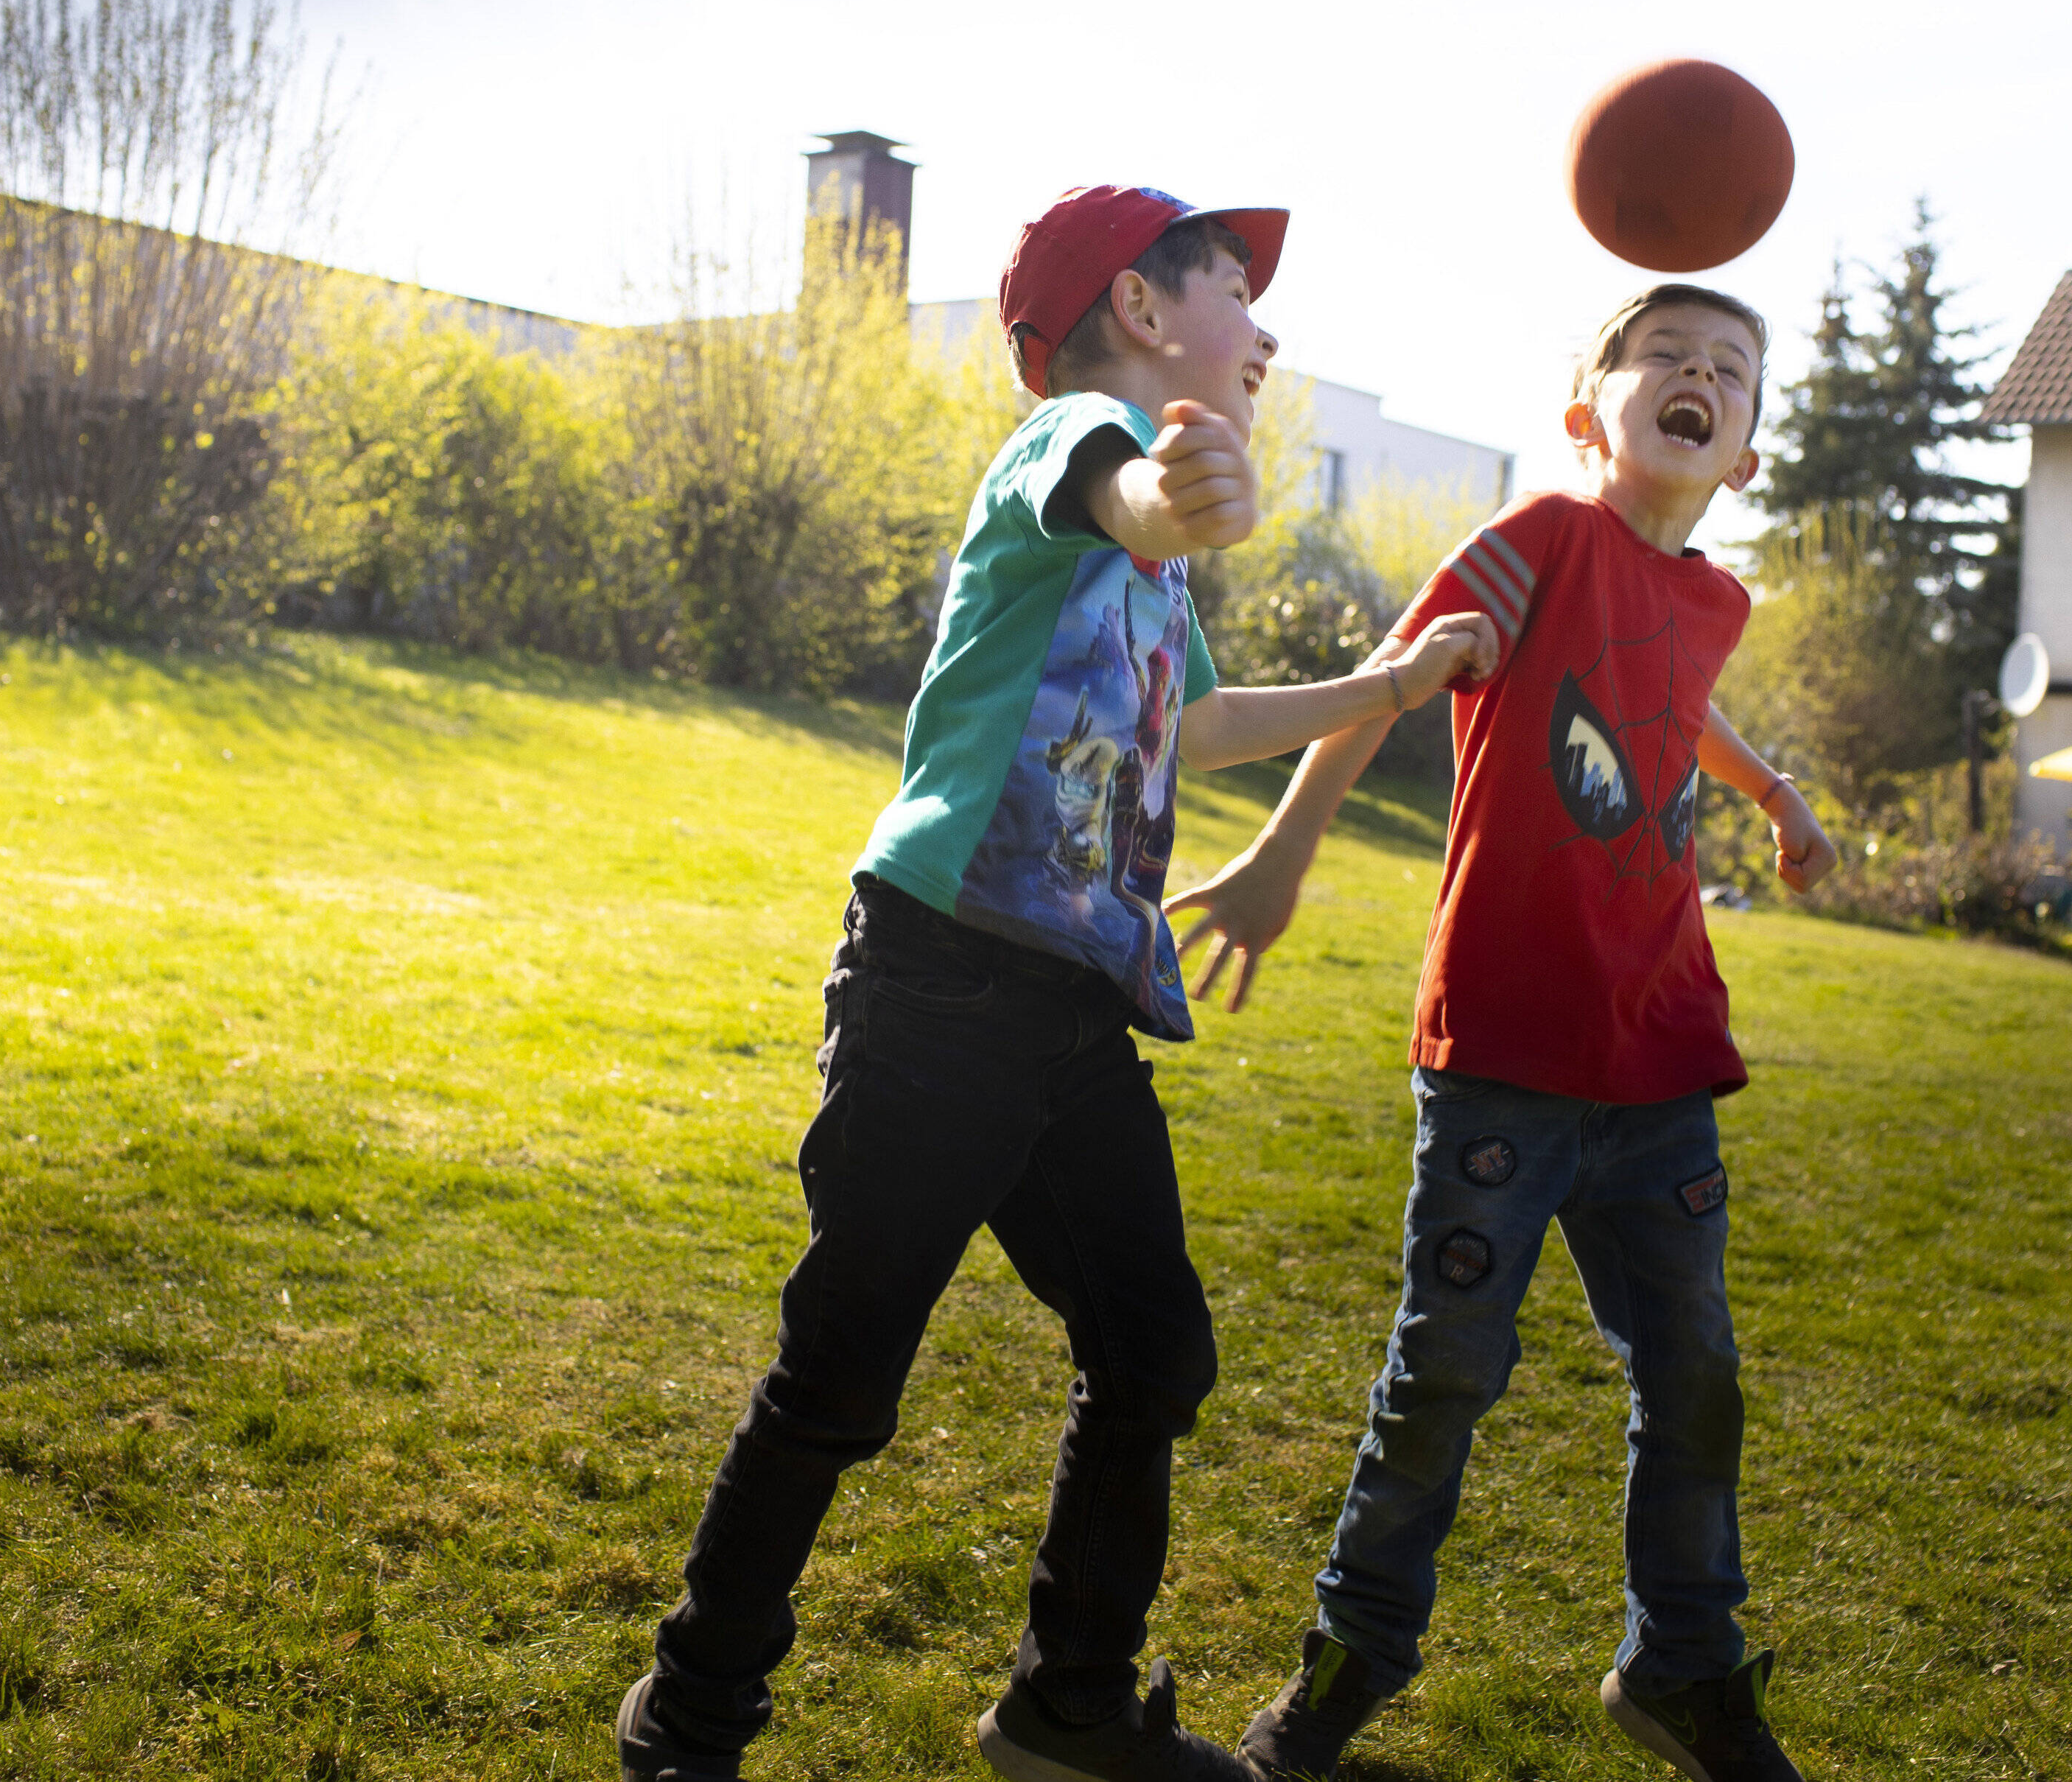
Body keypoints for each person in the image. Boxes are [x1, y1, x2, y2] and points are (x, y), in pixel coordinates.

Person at [614, 185, 1500, 1782]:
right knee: (839, 1380)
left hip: (1073, 1017)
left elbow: (1199, 727)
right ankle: (687, 1718)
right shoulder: (1066, 446)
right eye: (1234, 287)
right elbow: (1136, 501)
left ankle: (1068, 1706)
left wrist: (1389, 684)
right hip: (943, 986)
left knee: (1153, 1349)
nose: (1268, 329)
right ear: (1143, 312)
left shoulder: (1152, 576)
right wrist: (1180, 494)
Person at [1166, 283, 1839, 1782]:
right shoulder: (1538, 541)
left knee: (1696, 1373)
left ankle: (1681, 1665)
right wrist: (1284, 853)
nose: (1696, 375)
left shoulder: (1716, 598)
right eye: (1660, 354)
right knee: (1446, 1371)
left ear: (1742, 454)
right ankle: (1343, 1671)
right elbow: (1386, 684)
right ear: (1583, 409)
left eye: (1728, 369)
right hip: (1504, 1059)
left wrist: (1772, 792)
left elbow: (1680, 698)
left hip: (1661, 1057)